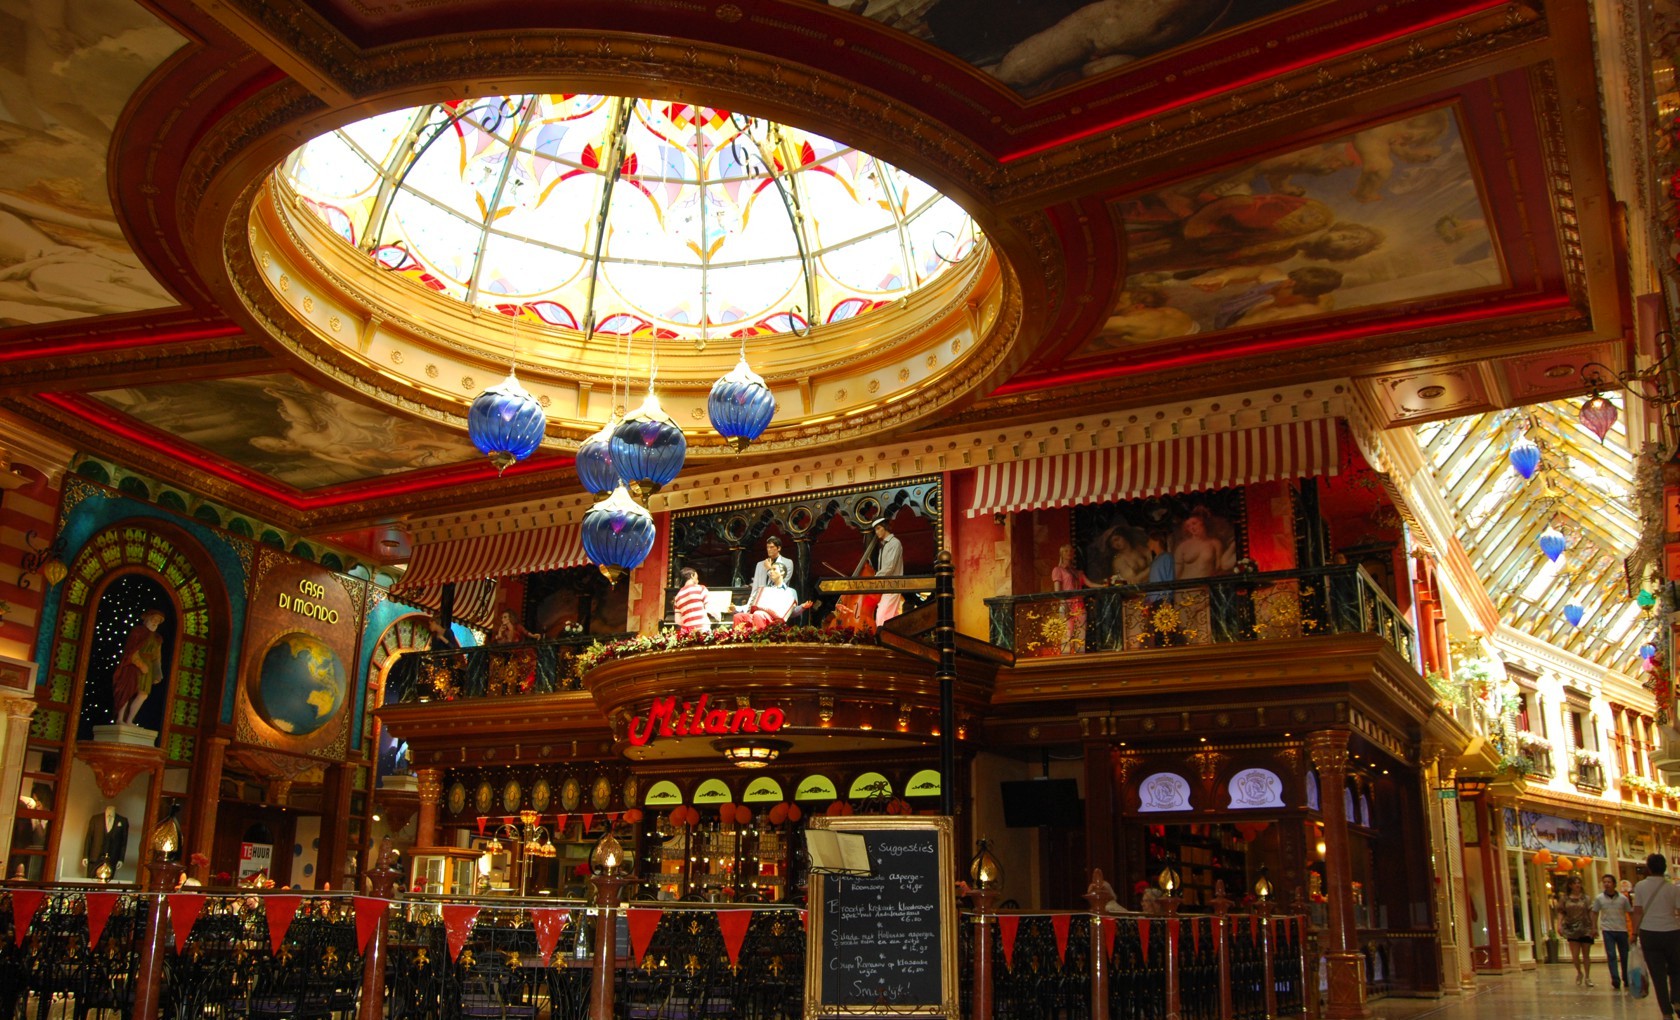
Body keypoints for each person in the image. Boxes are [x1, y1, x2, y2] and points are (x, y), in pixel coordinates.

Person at [1632, 853, 1680, 1015]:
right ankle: (1677, 999)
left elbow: (1637, 911)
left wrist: (1634, 932)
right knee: (1676, 969)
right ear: (1665, 867)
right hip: (1672, 933)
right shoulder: (1672, 888)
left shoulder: (1640, 886)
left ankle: (1666, 1011)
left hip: (1649, 933)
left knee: (1657, 974)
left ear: (1649, 868)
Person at [111, 608, 166, 725]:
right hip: (133, 666)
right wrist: (140, 664)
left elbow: (157, 657)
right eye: (153, 619)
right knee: (127, 691)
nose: (155, 622)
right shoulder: (138, 631)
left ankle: (130, 720)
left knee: (143, 694)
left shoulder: (157, 638)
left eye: (158, 621)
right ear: (147, 619)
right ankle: (120, 719)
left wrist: (157, 674)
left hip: (148, 667)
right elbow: (131, 650)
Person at [731, 564, 810, 631]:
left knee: (758, 614)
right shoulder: (764, 589)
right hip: (758, 615)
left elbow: (791, 612)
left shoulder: (790, 591)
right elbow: (749, 606)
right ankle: (739, 642)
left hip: (775, 620)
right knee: (738, 616)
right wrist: (735, 608)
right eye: (770, 570)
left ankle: (760, 642)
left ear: (782, 572)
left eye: (774, 569)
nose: (771, 572)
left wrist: (802, 607)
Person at [1594, 872, 1631, 990]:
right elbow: (1594, 912)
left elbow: (1630, 912)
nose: (1606, 884)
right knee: (1611, 955)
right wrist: (1594, 927)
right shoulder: (1599, 898)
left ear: (1614, 884)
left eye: (1609, 882)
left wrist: (1633, 930)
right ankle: (1615, 978)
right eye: (1604, 882)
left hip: (1621, 929)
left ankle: (1626, 977)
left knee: (1625, 955)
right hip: (1607, 930)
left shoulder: (1623, 899)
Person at [1556, 874, 1595, 985]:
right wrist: (1559, 925)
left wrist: (1593, 926)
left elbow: (1590, 911)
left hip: (1585, 927)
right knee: (1575, 954)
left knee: (1586, 954)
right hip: (1571, 927)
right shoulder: (1565, 898)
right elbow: (1561, 912)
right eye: (1575, 883)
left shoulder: (1586, 898)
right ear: (1570, 885)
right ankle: (1579, 972)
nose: (1577, 885)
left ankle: (1588, 977)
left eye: (1579, 883)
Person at [873, 520, 905, 627]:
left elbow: (889, 567)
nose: (876, 532)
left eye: (878, 528)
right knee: (889, 616)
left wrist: (875, 578)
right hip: (886, 586)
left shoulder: (894, 543)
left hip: (893, 585)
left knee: (882, 616)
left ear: (885, 527)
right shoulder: (884, 545)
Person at [747, 537, 795, 607]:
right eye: (767, 547)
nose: (769, 550)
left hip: (777, 601)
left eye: (772, 547)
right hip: (761, 601)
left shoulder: (787, 562)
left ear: (779, 548)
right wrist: (750, 605)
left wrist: (769, 569)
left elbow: (782, 583)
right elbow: (755, 587)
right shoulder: (760, 564)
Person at [673, 566, 712, 635]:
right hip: (703, 629)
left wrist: (689, 623)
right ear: (692, 575)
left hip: (687, 633)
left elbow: (678, 620)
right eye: (696, 577)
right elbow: (710, 608)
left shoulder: (677, 597)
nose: (698, 580)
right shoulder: (701, 588)